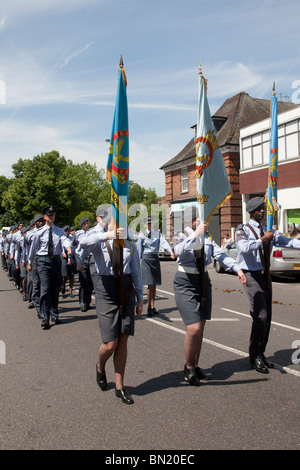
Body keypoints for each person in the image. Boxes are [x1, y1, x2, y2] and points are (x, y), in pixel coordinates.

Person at [173, 217, 246, 386]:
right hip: (185, 280)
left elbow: (219, 254)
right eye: (197, 218)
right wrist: (195, 236)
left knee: (201, 326)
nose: (201, 221)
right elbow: (178, 251)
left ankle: (196, 365)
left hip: (203, 281)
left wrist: (237, 268)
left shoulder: (207, 237)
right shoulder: (181, 233)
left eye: (201, 218)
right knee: (194, 327)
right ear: (189, 220)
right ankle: (188, 366)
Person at [80, 225, 143, 405]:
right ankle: (100, 365)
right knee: (110, 343)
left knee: (123, 339)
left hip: (126, 288)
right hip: (106, 289)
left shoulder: (129, 239)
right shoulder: (99, 238)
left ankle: (119, 386)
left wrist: (140, 297)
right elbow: (83, 242)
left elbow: (136, 270)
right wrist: (107, 235)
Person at [235, 196, 300, 373]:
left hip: (265, 274)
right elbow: (244, 248)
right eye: (258, 209)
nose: (262, 211)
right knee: (260, 315)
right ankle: (254, 355)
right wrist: (264, 239)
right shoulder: (243, 229)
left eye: (263, 208)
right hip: (250, 274)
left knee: (267, 318)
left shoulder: (267, 230)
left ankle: (261, 353)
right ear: (251, 212)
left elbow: (289, 241)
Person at [27, 206, 72, 329]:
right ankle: (44, 317)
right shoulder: (39, 233)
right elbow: (33, 248)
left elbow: (64, 240)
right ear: (45, 217)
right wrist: (30, 261)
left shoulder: (59, 230)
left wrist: (68, 248)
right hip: (43, 261)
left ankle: (54, 314)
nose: (52, 217)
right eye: (50, 215)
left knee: (54, 288)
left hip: (56, 261)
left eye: (53, 215)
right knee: (45, 289)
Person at [138, 215, 175, 316]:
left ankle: (152, 306)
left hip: (154, 258)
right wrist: (137, 261)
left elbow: (164, 243)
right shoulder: (142, 235)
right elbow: (139, 249)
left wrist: (170, 251)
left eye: (151, 223)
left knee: (154, 284)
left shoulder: (157, 234)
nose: (150, 225)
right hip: (146, 258)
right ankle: (149, 307)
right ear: (145, 224)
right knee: (150, 283)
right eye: (148, 223)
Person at [73, 217, 94, 312]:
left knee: (91, 282)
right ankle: (83, 303)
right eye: (85, 223)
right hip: (82, 260)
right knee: (83, 281)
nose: (87, 225)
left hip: (91, 259)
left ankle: (88, 301)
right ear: (81, 225)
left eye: (88, 223)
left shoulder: (92, 233)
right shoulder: (77, 234)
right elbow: (73, 245)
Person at [61, 225, 76, 297]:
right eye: (66, 231)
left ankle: (70, 291)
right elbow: (61, 248)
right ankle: (63, 285)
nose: (67, 232)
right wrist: (63, 253)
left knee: (72, 275)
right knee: (65, 275)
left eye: (68, 231)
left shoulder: (71, 238)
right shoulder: (61, 238)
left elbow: (72, 248)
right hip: (64, 257)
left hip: (71, 256)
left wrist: (71, 259)